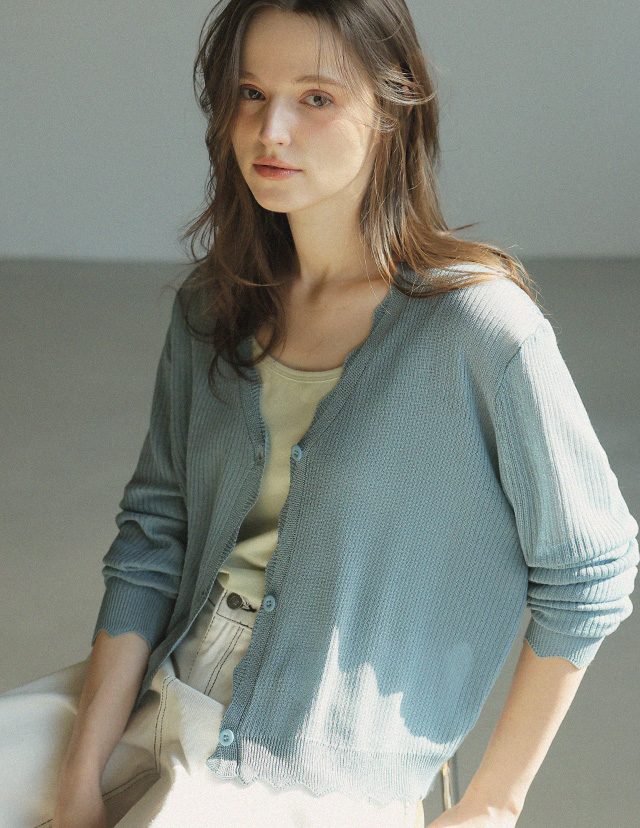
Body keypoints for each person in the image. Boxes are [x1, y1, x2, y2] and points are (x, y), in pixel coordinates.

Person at [1, 1, 638, 827]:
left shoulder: (477, 329)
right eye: (251, 93)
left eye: (315, 98)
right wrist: (81, 774)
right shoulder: (212, 308)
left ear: (390, 111)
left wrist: (492, 805)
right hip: (155, 691)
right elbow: (154, 538)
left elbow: (591, 572)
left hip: (315, 766)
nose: (270, 132)